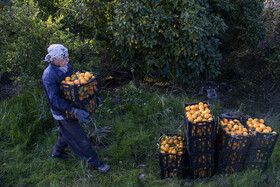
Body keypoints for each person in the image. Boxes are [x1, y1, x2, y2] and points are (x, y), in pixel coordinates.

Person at [42, 44, 110, 173]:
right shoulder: (49, 76)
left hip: (71, 107)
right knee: (79, 138)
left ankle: (57, 153)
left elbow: (75, 88)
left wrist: (91, 99)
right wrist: (73, 110)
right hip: (63, 112)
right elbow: (55, 100)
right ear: (54, 59)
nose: (67, 60)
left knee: (66, 133)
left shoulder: (66, 68)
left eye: (67, 56)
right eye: (64, 57)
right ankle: (95, 162)